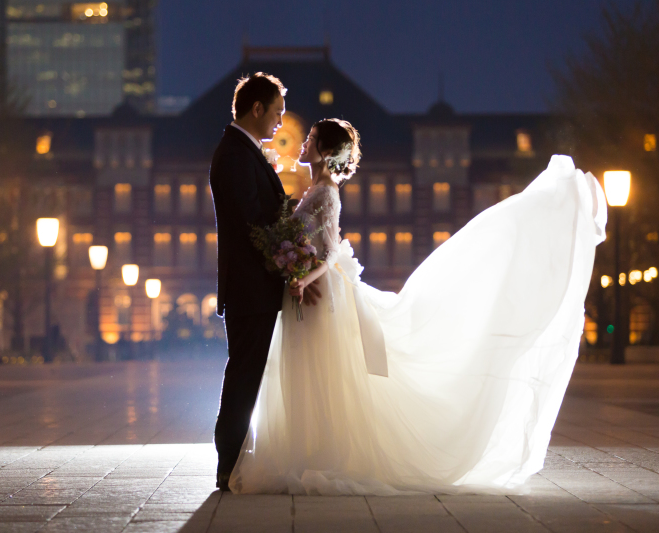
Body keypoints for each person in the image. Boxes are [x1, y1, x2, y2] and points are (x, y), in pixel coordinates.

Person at [228, 119, 607, 495]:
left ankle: (317, 453)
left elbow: (327, 253)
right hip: (308, 290)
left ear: (326, 151)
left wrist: (301, 278)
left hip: (317, 293)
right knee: (310, 369)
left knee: (319, 370)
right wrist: (293, 267)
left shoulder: (326, 193)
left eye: (310, 138)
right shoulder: (315, 189)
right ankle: (307, 451)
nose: (304, 143)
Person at [209, 73, 322, 491]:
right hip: (250, 286)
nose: (278, 121)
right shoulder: (236, 155)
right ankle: (229, 464)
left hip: (253, 286)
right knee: (244, 376)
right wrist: (292, 260)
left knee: (247, 374)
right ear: (256, 109)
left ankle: (235, 461)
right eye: (276, 113)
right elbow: (253, 222)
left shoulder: (242, 151)